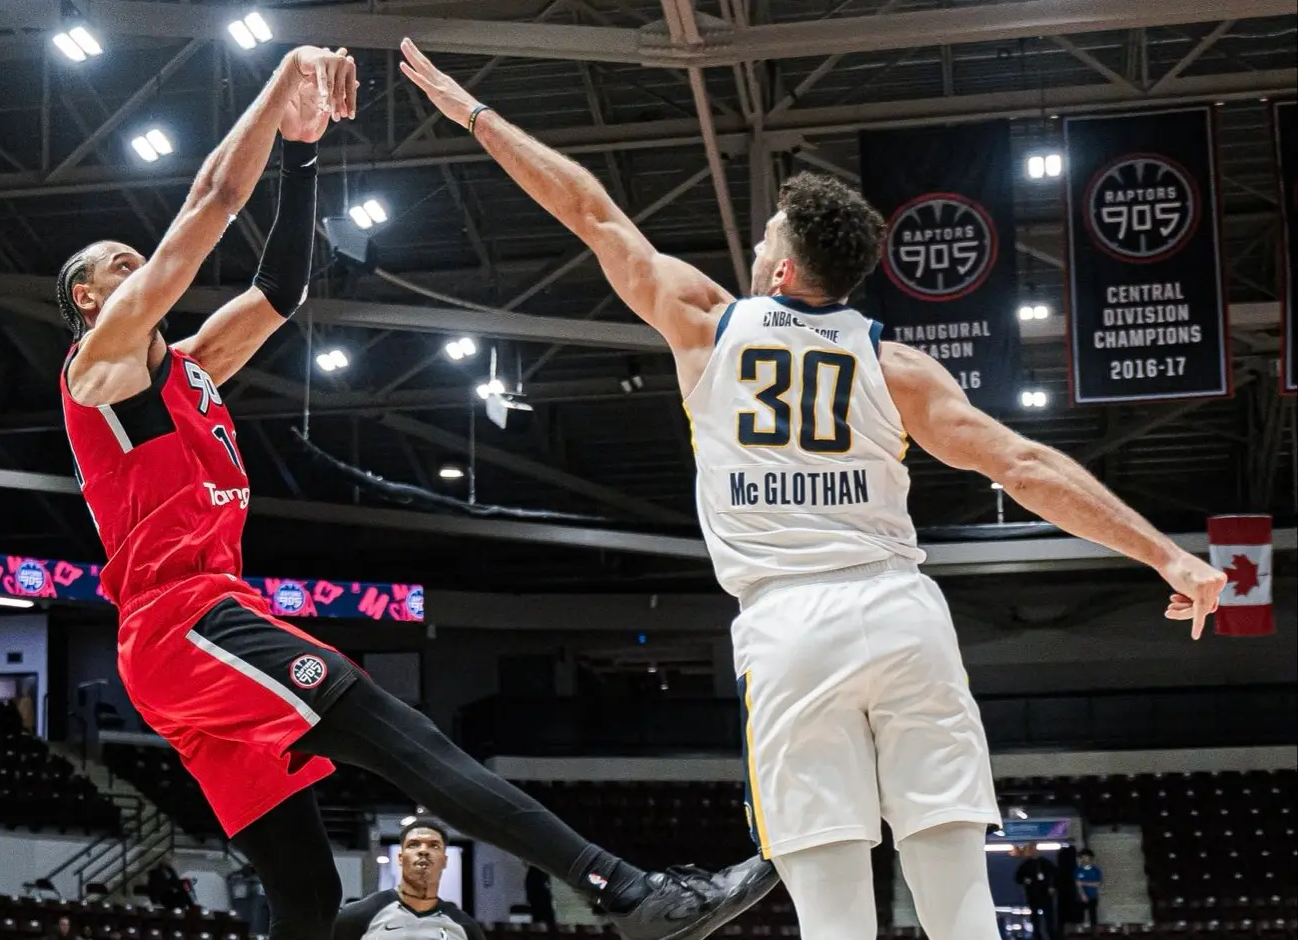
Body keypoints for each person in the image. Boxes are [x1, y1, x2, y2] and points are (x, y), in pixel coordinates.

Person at [395, 37, 1228, 940]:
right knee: (958, 899)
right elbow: (1024, 469)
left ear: (782, 271)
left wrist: (473, 114)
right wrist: (1167, 555)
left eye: (763, 241)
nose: (754, 249)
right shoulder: (896, 364)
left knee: (833, 915)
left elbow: (591, 214)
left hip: (790, 627)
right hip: (901, 610)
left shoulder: (708, 324)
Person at [55, 43, 775, 940]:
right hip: (180, 624)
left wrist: (302, 149)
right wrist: (281, 82)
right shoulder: (99, 367)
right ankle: (629, 893)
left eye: (136, 259)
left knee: (310, 903)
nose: (137, 266)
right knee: (399, 733)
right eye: (117, 265)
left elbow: (280, 288)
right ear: (86, 297)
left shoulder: (189, 365)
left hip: (196, 635)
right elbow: (210, 205)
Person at [333, 819, 483, 940]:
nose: (423, 851)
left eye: (434, 846)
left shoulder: (464, 927)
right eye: (413, 845)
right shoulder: (359, 915)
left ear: (444, 860)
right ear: (400, 858)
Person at [1016, 845, 1057, 939]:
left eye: (1035, 850)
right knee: (1035, 918)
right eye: (1032, 850)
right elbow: (1018, 877)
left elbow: (1055, 875)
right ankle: (1037, 936)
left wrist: (1052, 886)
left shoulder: (1046, 863)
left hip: (1046, 894)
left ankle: (1052, 935)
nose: (1034, 852)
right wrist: (1025, 880)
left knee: (1049, 918)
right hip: (1033, 895)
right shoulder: (1025, 864)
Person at [1075, 849, 1103, 927]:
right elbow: (1077, 884)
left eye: (1085, 857)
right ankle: (1080, 929)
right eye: (1082, 858)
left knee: (1093, 915)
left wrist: (1084, 883)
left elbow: (1098, 883)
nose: (1083, 860)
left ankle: (1094, 932)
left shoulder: (1096, 870)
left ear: (1090, 858)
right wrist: (1083, 895)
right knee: (1080, 915)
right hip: (1080, 898)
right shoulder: (1078, 870)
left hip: (1093, 896)